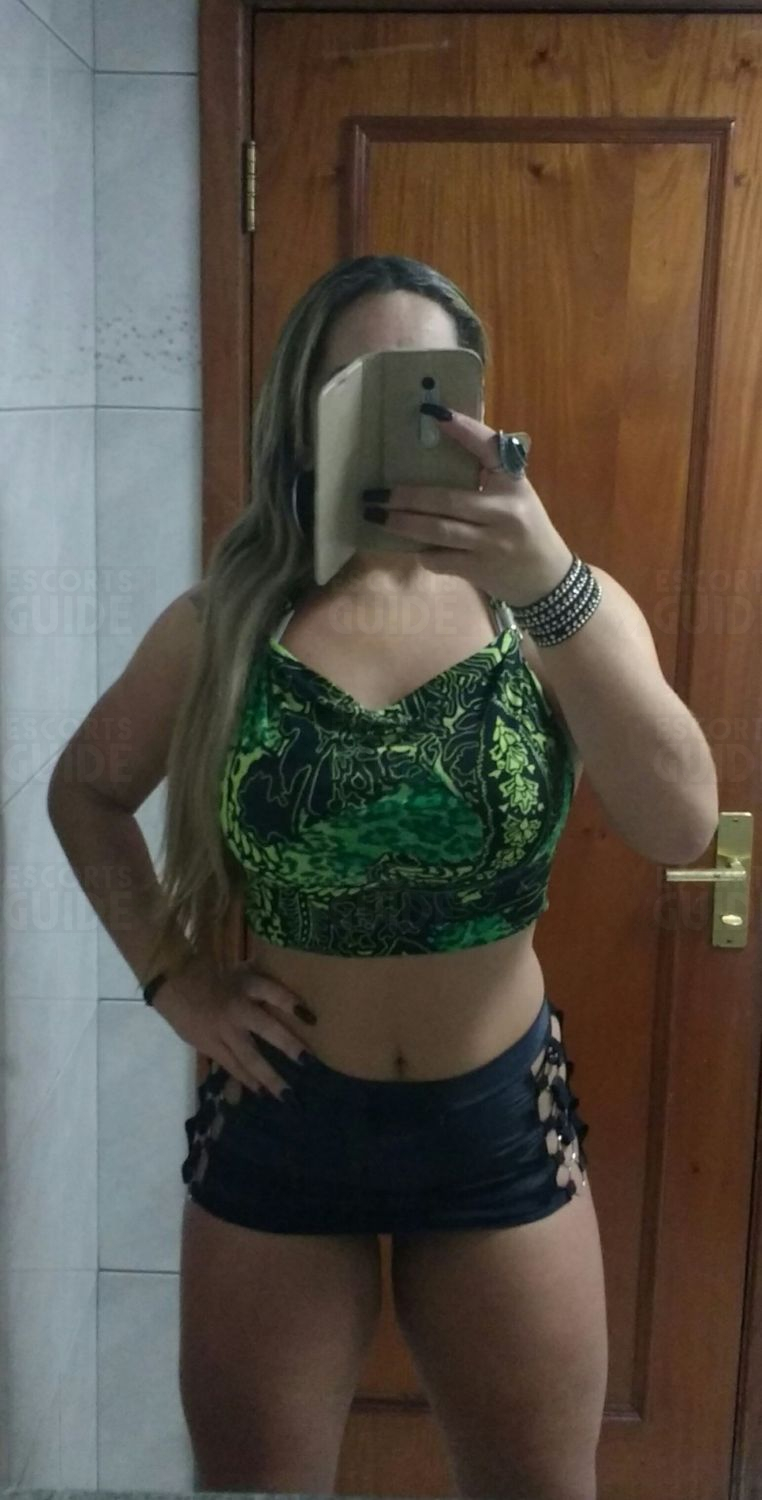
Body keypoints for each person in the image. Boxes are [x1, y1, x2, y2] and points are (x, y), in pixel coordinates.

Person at [48, 254, 713, 1500]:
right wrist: (175, 978)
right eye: (360, 383)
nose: (405, 418)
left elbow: (681, 825)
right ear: (306, 413)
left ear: (475, 413)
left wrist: (549, 581)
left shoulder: (552, 614)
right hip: (284, 1118)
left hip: (495, 1121)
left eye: (432, 388)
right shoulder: (227, 622)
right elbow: (83, 791)